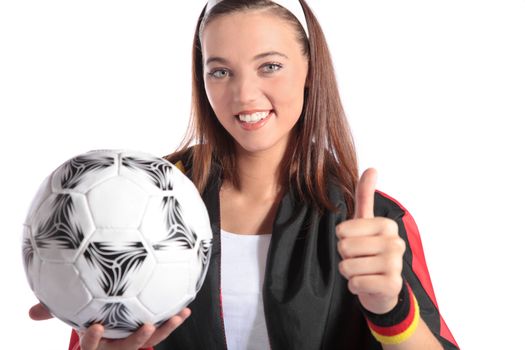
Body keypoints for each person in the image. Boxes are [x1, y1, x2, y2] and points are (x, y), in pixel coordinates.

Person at [29, 0, 459, 349]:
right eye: (220, 71)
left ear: (311, 70)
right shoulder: (135, 201)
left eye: (269, 66)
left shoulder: (373, 222)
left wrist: (391, 309)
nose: (244, 94)